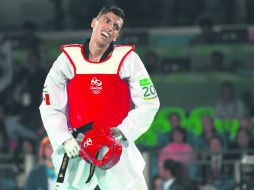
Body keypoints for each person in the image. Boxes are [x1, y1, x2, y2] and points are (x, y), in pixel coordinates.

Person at [39, 5, 160, 190]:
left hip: (114, 144)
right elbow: (50, 105)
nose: (110, 27)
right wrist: (64, 138)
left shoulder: (128, 59)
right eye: (106, 21)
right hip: (77, 144)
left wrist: (122, 131)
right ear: (94, 22)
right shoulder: (68, 59)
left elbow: (150, 102)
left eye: (116, 27)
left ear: (116, 36)